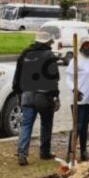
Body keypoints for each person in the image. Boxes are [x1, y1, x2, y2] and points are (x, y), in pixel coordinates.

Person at [14, 30, 61, 166]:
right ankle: (44, 152)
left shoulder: (25, 54)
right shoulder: (49, 55)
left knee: (26, 125)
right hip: (44, 96)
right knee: (46, 124)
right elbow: (54, 79)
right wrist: (56, 96)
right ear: (47, 42)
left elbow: (17, 76)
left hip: (27, 95)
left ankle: (22, 154)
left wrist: (18, 93)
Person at [66, 37, 89, 161]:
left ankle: (84, 151)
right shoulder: (75, 61)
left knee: (85, 126)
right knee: (78, 126)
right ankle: (70, 152)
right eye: (87, 45)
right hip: (78, 99)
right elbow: (69, 79)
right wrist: (74, 89)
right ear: (81, 46)